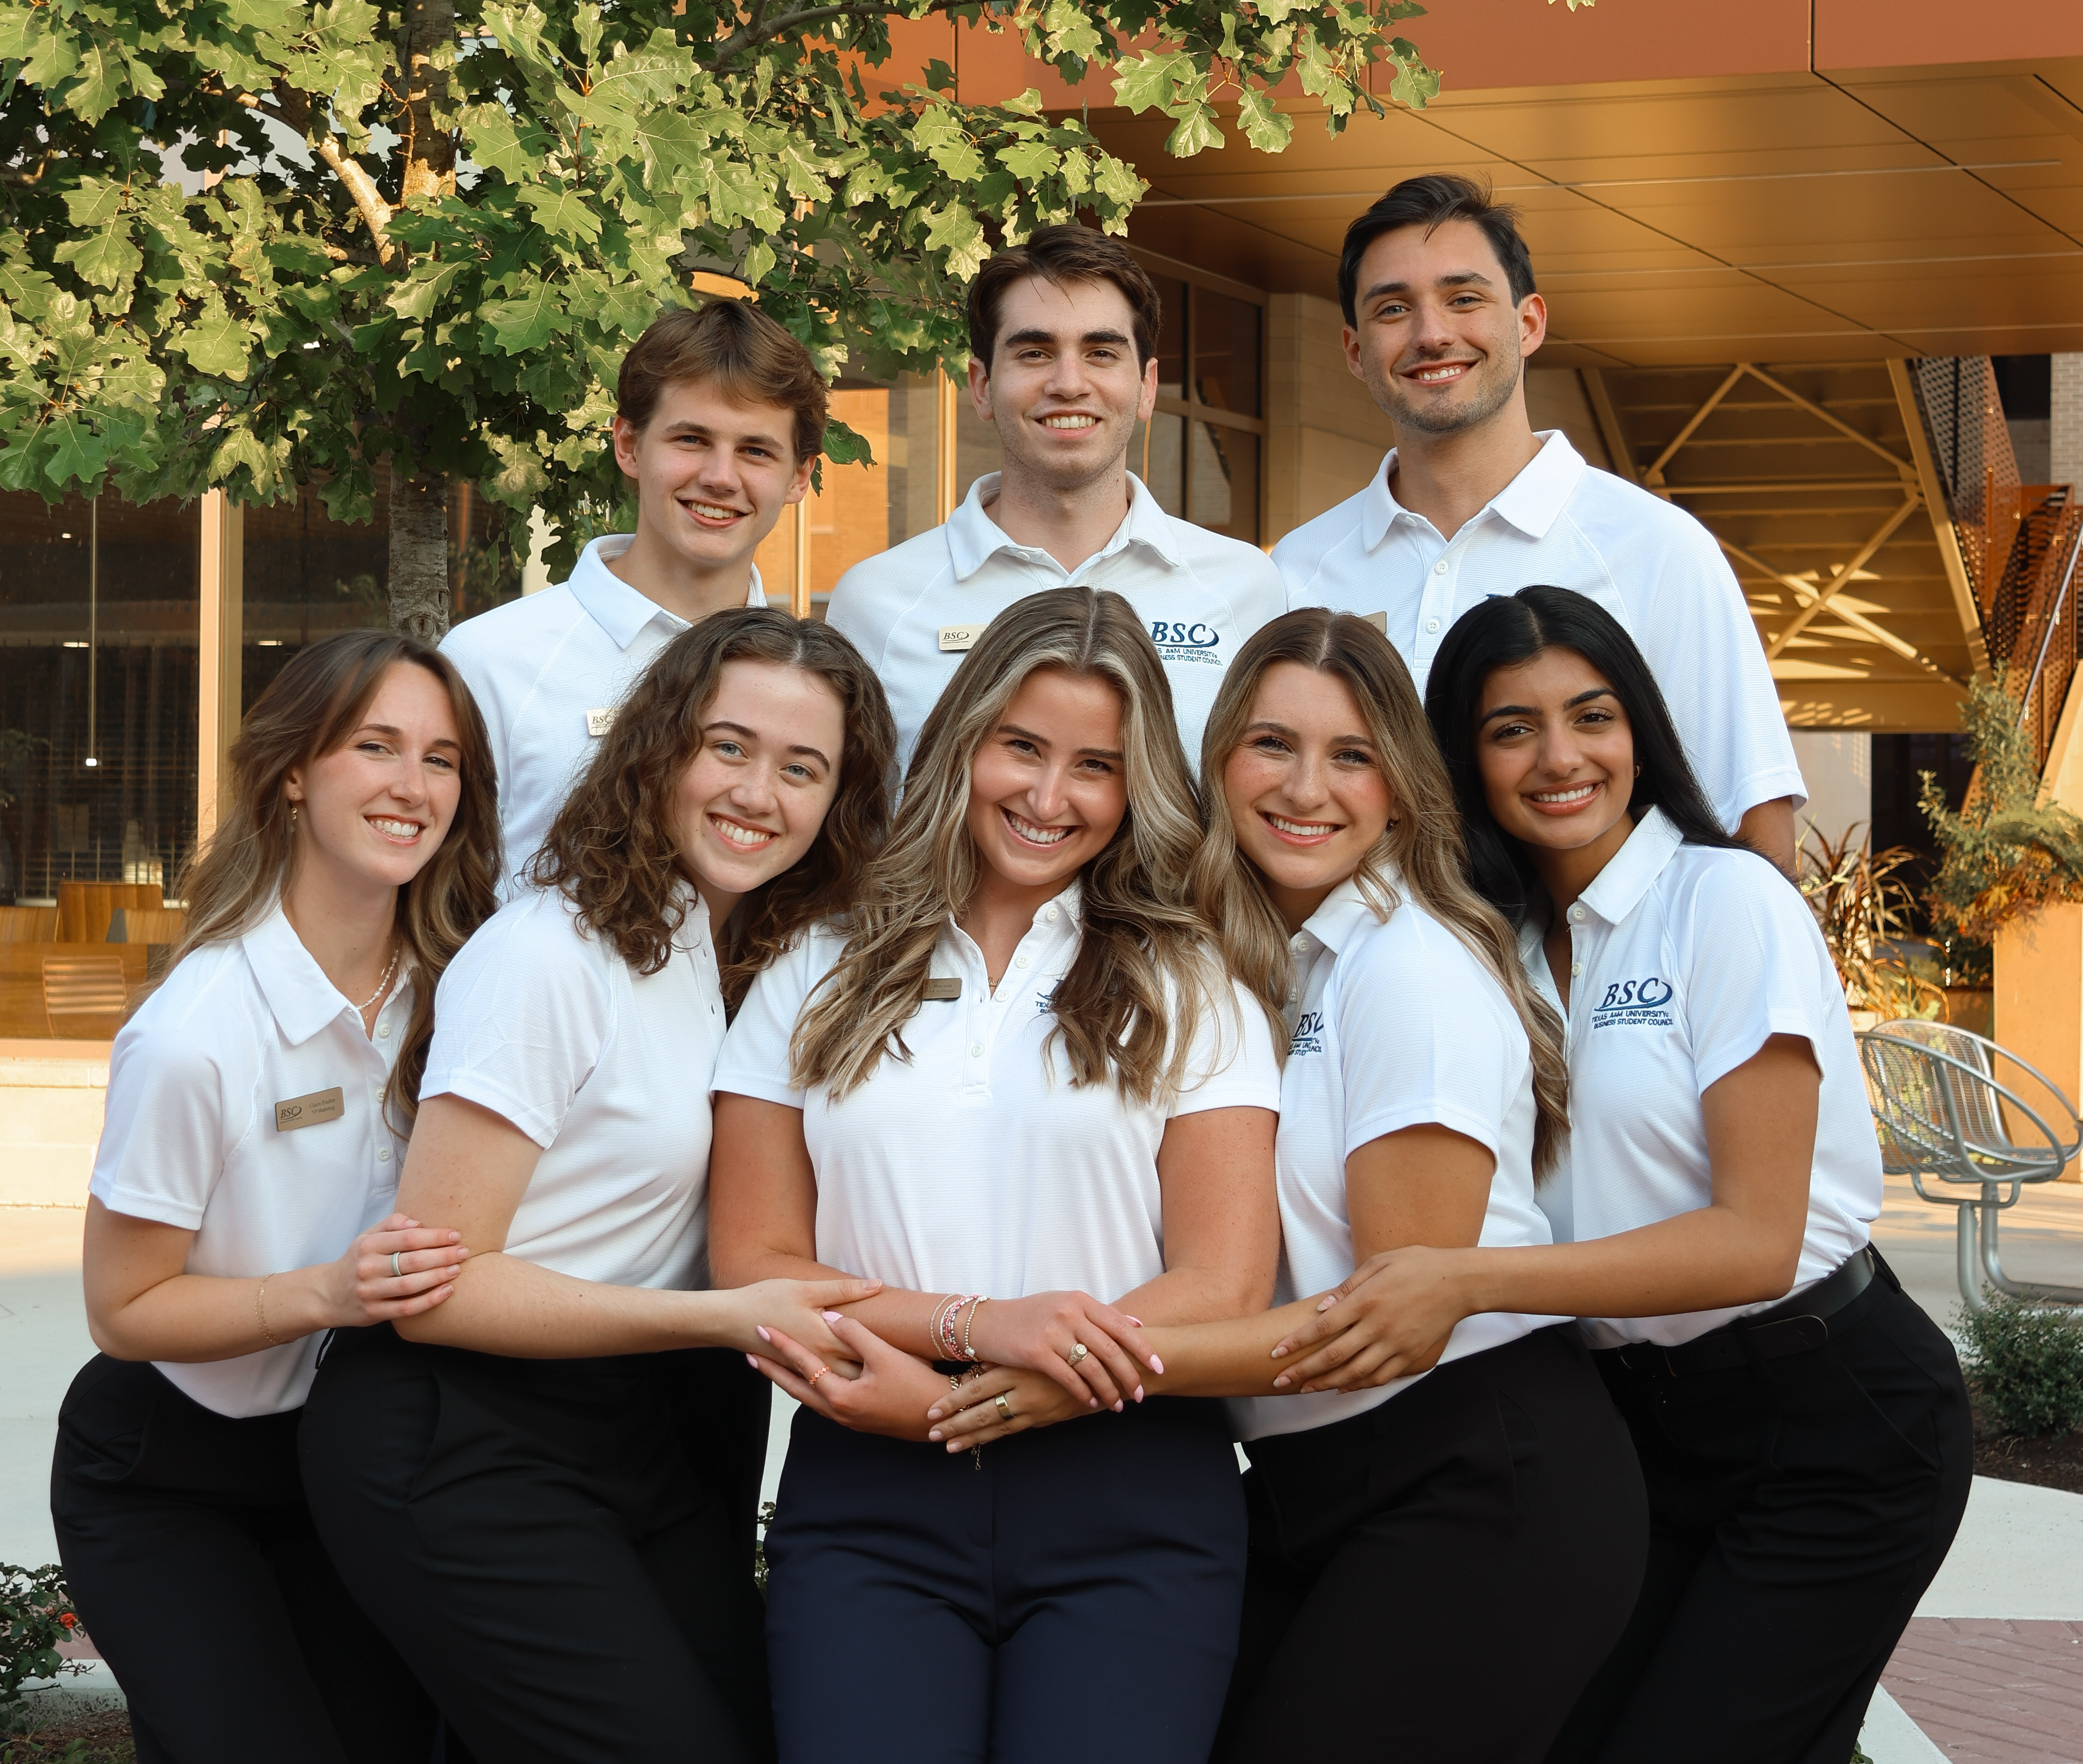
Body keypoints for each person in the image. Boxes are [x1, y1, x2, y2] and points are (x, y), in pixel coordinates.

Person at [923, 607, 1648, 1764]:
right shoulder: (1250, 960)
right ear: (1215, 764)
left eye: (1350, 755)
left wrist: (1075, 1374)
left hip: (1477, 1472)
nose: (1306, 788)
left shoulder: (1406, 969)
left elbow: (1386, 1326)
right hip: (1317, 1477)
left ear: (1400, 789)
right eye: (1271, 745)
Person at [1272, 585, 1970, 1764]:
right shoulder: (1482, 941)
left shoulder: (1723, 900)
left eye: (1590, 717)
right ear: (1462, 760)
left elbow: (1755, 1239)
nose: (1559, 758)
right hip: (1640, 1425)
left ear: (1637, 731)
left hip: (1829, 1418)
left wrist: (1466, 1278)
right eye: (1511, 729)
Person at [299, 608, 896, 1764]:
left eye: (801, 768)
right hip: (458, 1435)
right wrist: (722, 1317)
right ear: (658, 747)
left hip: (641, 1433)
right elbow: (434, 1289)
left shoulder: (757, 960)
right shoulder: (547, 956)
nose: (757, 794)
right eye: (727, 747)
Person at [709, 586, 1282, 1764]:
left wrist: (1017, 1390)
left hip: (1129, 1493)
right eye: (1020, 746)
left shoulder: (1193, 982)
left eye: (1094, 766)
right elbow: (754, 1262)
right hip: (870, 1481)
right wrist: (975, 1329)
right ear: (963, 740)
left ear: (1136, 787)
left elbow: (1222, 1283)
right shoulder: (818, 960)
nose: (1047, 795)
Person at [53, 630, 500, 1764]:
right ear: (294, 770)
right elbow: (123, 1311)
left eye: (441, 759)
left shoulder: (469, 992)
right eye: (375, 746)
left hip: (353, 1468)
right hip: (169, 1473)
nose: (412, 786)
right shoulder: (195, 1033)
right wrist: (327, 1292)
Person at [1272, 174, 1805, 870]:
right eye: (1393, 309)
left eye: (1464, 299)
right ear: (1353, 350)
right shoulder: (1296, 569)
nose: (1432, 334)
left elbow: (1753, 832)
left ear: (1528, 324)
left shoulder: (1657, 549)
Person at [826, 225, 1287, 776]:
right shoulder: (878, 602)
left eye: (1100, 353)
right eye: (1034, 353)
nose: (1068, 383)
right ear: (981, 385)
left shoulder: (1244, 589)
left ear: (1146, 387)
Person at [441, 298, 827, 890]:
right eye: (691, 439)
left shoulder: (813, 688)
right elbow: (436, 904)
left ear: (798, 476)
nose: (720, 477)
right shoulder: (489, 661)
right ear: (627, 445)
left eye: (755, 450)